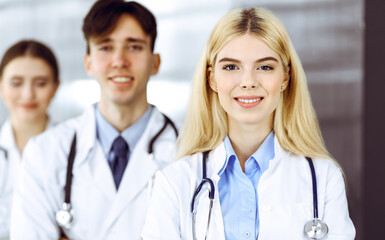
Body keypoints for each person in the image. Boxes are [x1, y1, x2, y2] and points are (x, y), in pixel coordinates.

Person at [142, 7, 356, 240]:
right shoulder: (175, 183)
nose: (248, 82)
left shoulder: (324, 179)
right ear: (212, 78)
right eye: (231, 67)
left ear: (285, 77)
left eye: (265, 67)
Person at [10, 1, 178, 239]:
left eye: (134, 47)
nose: (119, 61)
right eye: (105, 47)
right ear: (88, 63)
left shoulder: (190, 152)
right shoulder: (44, 154)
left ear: (155, 62)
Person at [0, 40, 60, 239]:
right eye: (16, 83)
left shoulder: (73, 150)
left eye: (40, 83)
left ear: (55, 87)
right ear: (1, 84)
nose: (28, 94)